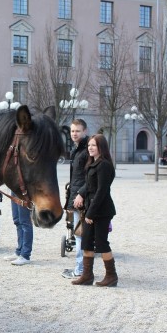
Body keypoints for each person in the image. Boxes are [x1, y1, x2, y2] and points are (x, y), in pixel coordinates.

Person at [72, 134, 118, 287]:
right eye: (89, 145)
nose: (90, 148)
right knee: (86, 242)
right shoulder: (93, 163)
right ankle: (87, 276)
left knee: (101, 243)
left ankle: (111, 276)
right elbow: (89, 185)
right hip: (91, 209)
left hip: (101, 210)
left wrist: (90, 213)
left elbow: (101, 191)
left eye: (94, 145)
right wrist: (81, 193)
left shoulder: (104, 165)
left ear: (101, 148)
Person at [62, 119, 89, 279]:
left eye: (77, 131)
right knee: (79, 233)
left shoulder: (86, 150)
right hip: (76, 195)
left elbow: (90, 176)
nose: (74, 134)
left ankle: (80, 269)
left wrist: (81, 194)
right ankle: (81, 268)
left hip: (82, 198)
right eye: (72, 131)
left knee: (79, 234)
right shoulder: (77, 149)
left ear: (84, 131)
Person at [3, 193, 33, 266]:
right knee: (17, 221)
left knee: (25, 222)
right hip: (14, 187)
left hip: (23, 190)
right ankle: (19, 252)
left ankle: (25, 255)